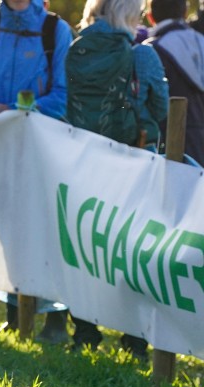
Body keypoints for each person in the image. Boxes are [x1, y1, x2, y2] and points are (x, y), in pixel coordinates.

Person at [0, 0, 74, 342]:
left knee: (47, 230)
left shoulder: (55, 30)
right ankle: (15, 315)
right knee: (7, 228)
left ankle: (55, 321)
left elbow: (64, 94)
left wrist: (23, 111)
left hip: (44, 151)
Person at [65, 0, 169, 360]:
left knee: (86, 245)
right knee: (133, 247)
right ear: (128, 14)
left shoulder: (75, 49)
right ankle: (134, 339)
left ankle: (84, 331)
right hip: (133, 162)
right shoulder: (142, 55)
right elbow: (162, 108)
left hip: (85, 164)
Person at [146, 0, 204, 166]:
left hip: (171, 151)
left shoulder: (151, 50)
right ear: (185, 12)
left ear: (150, 17)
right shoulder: (200, 41)